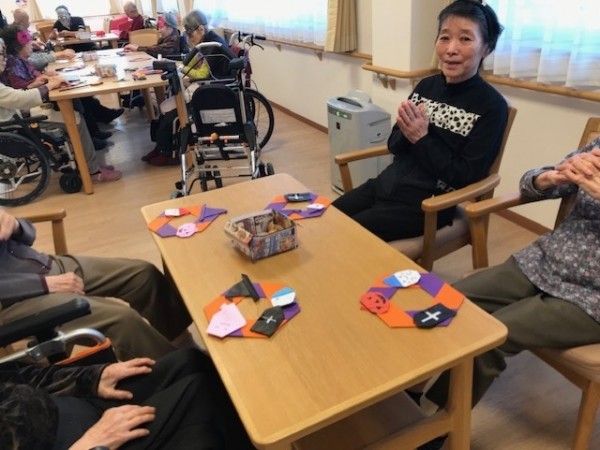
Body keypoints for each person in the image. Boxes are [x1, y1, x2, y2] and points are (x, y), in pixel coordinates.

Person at [415, 134, 600, 450]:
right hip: (544, 261)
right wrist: (551, 177)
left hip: (591, 297)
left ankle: (433, 429)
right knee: (446, 303)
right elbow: (530, 183)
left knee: (493, 337)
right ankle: (409, 390)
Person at [331, 0, 508, 243]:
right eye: (444, 37)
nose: (451, 49)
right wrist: (408, 132)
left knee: (346, 239)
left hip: (427, 205)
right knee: (327, 219)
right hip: (387, 184)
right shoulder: (426, 86)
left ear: (486, 48)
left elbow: (465, 175)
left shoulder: (492, 106)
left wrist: (421, 139)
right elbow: (394, 144)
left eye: (465, 39)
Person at [0, 208, 197, 361]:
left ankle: (183, 345)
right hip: (13, 300)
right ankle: (184, 375)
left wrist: (16, 224)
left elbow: (28, 236)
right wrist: (44, 284)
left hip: (43, 266)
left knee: (143, 275)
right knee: (121, 319)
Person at [0, 349, 255, 449]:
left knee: (190, 360)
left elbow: (17, 376)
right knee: (202, 394)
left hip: (58, 407)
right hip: (81, 443)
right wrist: (90, 445)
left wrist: (91, 377)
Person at [0, 37, 121, 183]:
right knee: (75, 119)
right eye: (1, 54)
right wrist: (50, 85)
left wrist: (36, 84)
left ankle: (86, 163)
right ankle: (93, 171)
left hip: (18, 116)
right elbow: (20, 99)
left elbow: (14, 95)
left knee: (74, 110)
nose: (4, 58)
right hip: (17, 124)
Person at [1, 24, 125, 150]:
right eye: (28, 43)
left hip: (38, 95)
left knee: (77, 90)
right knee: (75, 98)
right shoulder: (13, 63)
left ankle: (95, 129)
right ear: (18, 46)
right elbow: (21, 90)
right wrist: (44, 82)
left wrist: (43, 76)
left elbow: (30, 78)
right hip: (32, 105)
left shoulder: (18, 59)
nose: (31, 45)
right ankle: (91, 135)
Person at [142, 9, 235, 166]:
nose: (189, 38)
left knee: (170, 110)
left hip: (210, 90)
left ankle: (167, 152)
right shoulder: (204, 43)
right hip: (202, 86)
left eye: (190, 33)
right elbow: (190, 64)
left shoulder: (213, 45)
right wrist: (174, 64)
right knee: (164, 107)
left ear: (201, 29)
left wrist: (181, 68)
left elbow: (203, 73)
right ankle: (160, 147)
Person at [12, 8, 77, 71]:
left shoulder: (21, 31)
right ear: (21, 22)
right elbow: (30, 61)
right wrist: (59, 54)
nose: (29, 23)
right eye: (28, 20)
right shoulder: (17, 34)